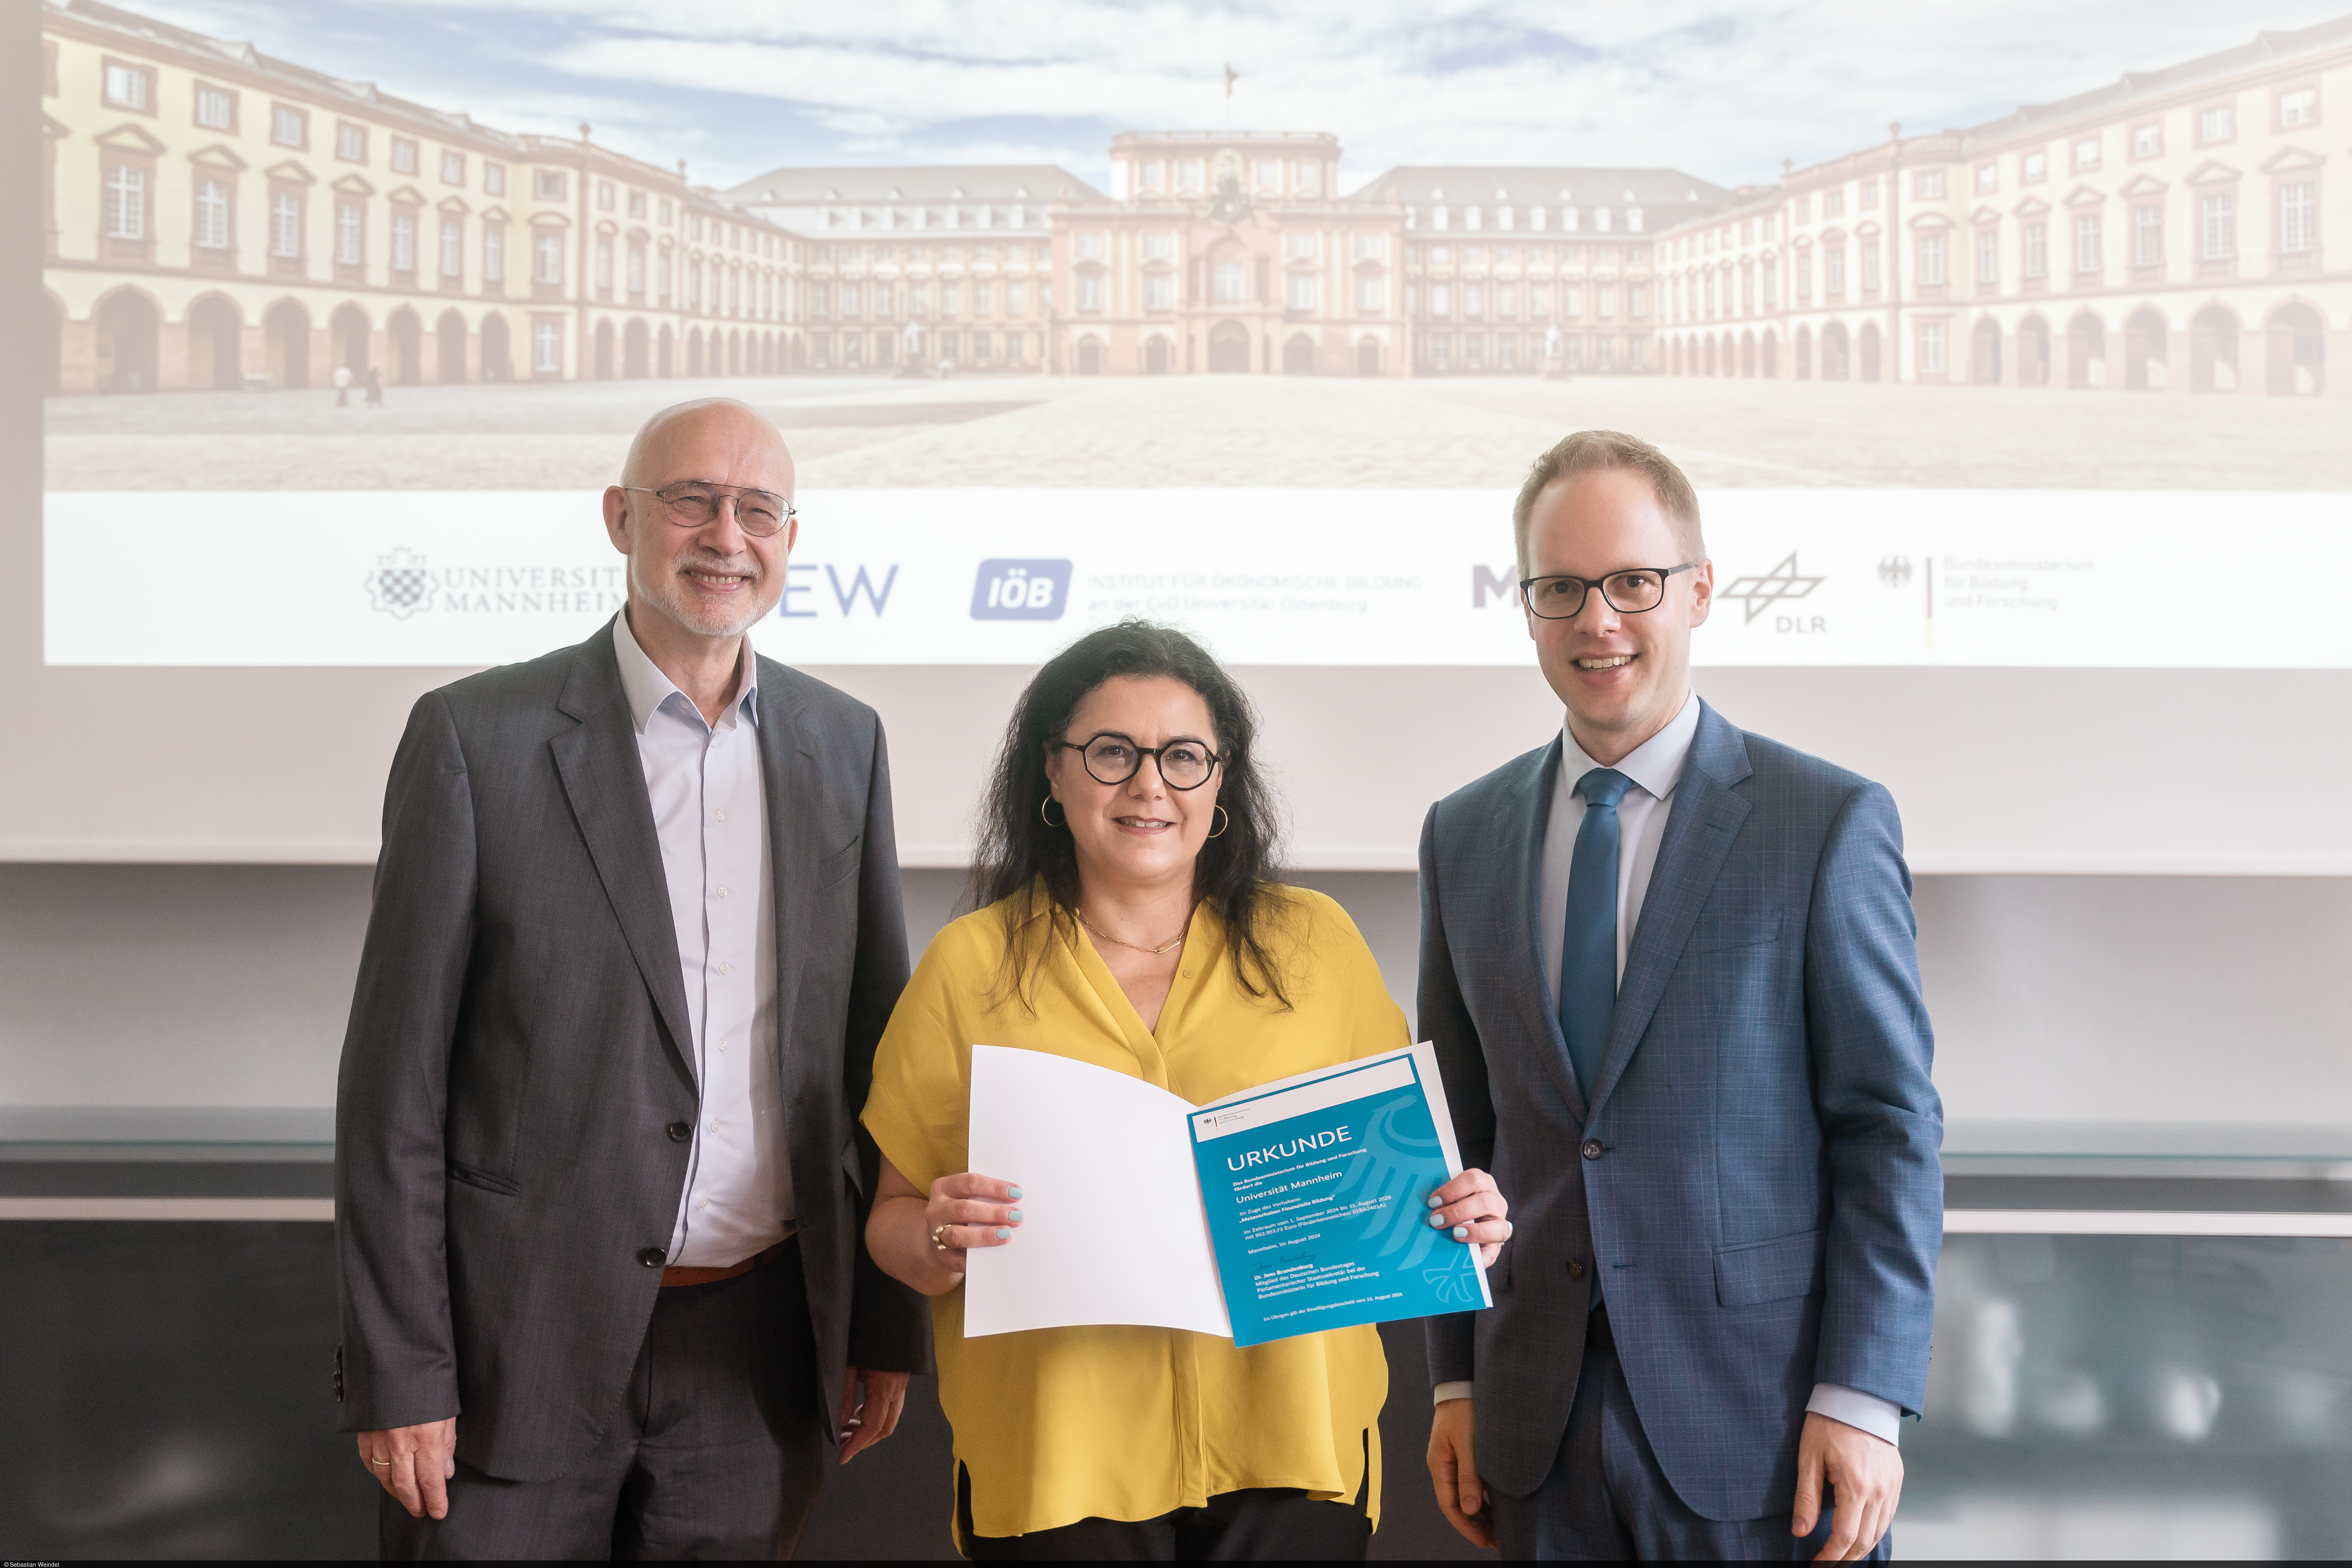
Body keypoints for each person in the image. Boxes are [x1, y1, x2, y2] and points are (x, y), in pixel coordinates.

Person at [335, 397, 928, 1557]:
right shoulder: (475, 740)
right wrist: (400, 1369)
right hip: (515, 1354)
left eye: (758, 508)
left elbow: (878, 1063)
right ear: (620, 519)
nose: (726, 535)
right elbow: (394, 1086)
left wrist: (885, 1326)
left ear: (789, 540)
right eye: (691, 500)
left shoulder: (840, 743)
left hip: (755, 1356)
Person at [859, 621, 1510, 1560]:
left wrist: (1461, 1209)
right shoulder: (970, 968)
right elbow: (892, 1217)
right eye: (1111, 753)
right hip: (1058, 1458)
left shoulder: (1317, 947)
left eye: (1183, 757)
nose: (1149, 785)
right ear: (1053, 770)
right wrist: (934, 1236)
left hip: (1292, 1443)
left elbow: (1404, 1174)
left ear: (1223, 780)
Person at [1418, 430, 1942, 1561]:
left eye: (1632, 583)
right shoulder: (1461, 835)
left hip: (1762, 1436)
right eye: (1560, 588)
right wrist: (1453, 1382)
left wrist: (1862, 1396)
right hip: (1532, 1432)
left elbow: (1887, 1127)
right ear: (1524, 605)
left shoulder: (1823, 823)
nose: (1596, 621)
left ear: (1698, 591)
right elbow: (1454, 1133)